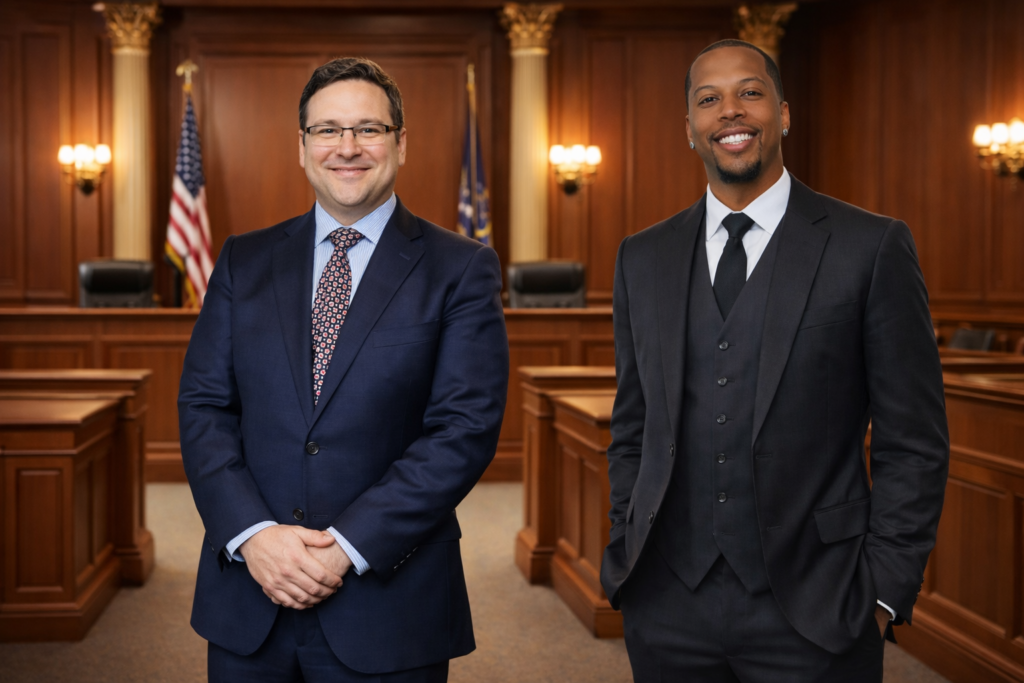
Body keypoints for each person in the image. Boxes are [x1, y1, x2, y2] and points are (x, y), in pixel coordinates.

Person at [600, 39, 949, 682]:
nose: (730, 111)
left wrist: (883, 592)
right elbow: (633, 426)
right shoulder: (641, 257)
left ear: (783, 114)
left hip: (821, 604)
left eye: (750, 92)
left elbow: (914, 441)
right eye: (709, 99)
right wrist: (626, 548)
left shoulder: (870, 246)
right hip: (668, 604)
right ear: (689, 128)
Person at [178, 57, 509, 683]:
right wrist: (252, 534)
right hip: (250, 593)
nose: (347, 147)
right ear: (302, 147)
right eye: (327, 130)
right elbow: (205, 406)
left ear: (400, 143)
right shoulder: (243, 260)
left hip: (388, 600)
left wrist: (346, 549)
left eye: (368, 129)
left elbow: (463, 429)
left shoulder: (462, 267)